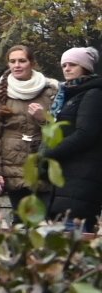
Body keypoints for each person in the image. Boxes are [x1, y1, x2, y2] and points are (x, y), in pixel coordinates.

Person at [0, 45, 53, 211]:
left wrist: (43, 119)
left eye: (22, 61)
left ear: (32, 63)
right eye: (12, 61)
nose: (17, 65)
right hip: (11, 167)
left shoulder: (50, 92)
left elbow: (58, 132)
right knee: (20, 221)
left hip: (42, 165)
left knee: (45, 222)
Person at [42, 47, 102, 230]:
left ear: (85, 67)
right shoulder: (68, 95)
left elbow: (85, 134)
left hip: (81, 180)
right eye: (64, 65)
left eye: (72, 64)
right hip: (64, 182)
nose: (67, 68)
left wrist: (50, 154)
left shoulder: (93, 93)